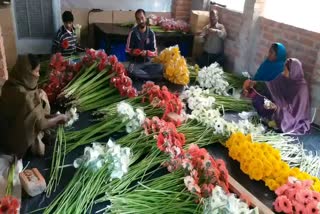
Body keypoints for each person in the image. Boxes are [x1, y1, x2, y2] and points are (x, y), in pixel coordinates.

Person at [0, 54, 69, 158]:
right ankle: (30, 148)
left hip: (4, 133)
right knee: (39, 142)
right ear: (27, 72)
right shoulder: (25, 97)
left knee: (41, 94)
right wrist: (59, 118)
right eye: (36, 71)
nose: (38, 75)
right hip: (14, 143)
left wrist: (52, 116)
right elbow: (41, 124)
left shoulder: (10, 84)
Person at [246, 58, 311, 135]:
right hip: (278, 103)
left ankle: (275, 119)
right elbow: (270, 86)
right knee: (260, 100)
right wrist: (256, 83)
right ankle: (271, 117)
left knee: (280, 117)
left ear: (293, 71)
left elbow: (295, 111)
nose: (284, 71)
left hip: (291, 115)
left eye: (286, 70)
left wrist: (277, 108)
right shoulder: (283, 77)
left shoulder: (301, 88)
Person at [125, 9, 163, 81]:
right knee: (131, 71)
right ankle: (149, 77)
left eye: (142, 18)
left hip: (148, 64)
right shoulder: (132, 33)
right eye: (138, 19)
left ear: (145, 18)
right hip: (136, 64)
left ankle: (142, 77)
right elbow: (127, 50)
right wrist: (133, 51)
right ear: (136, 20)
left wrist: (146, 53)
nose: (141, 21)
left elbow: (155, 53)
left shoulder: (151, 33)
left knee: (160, 67)